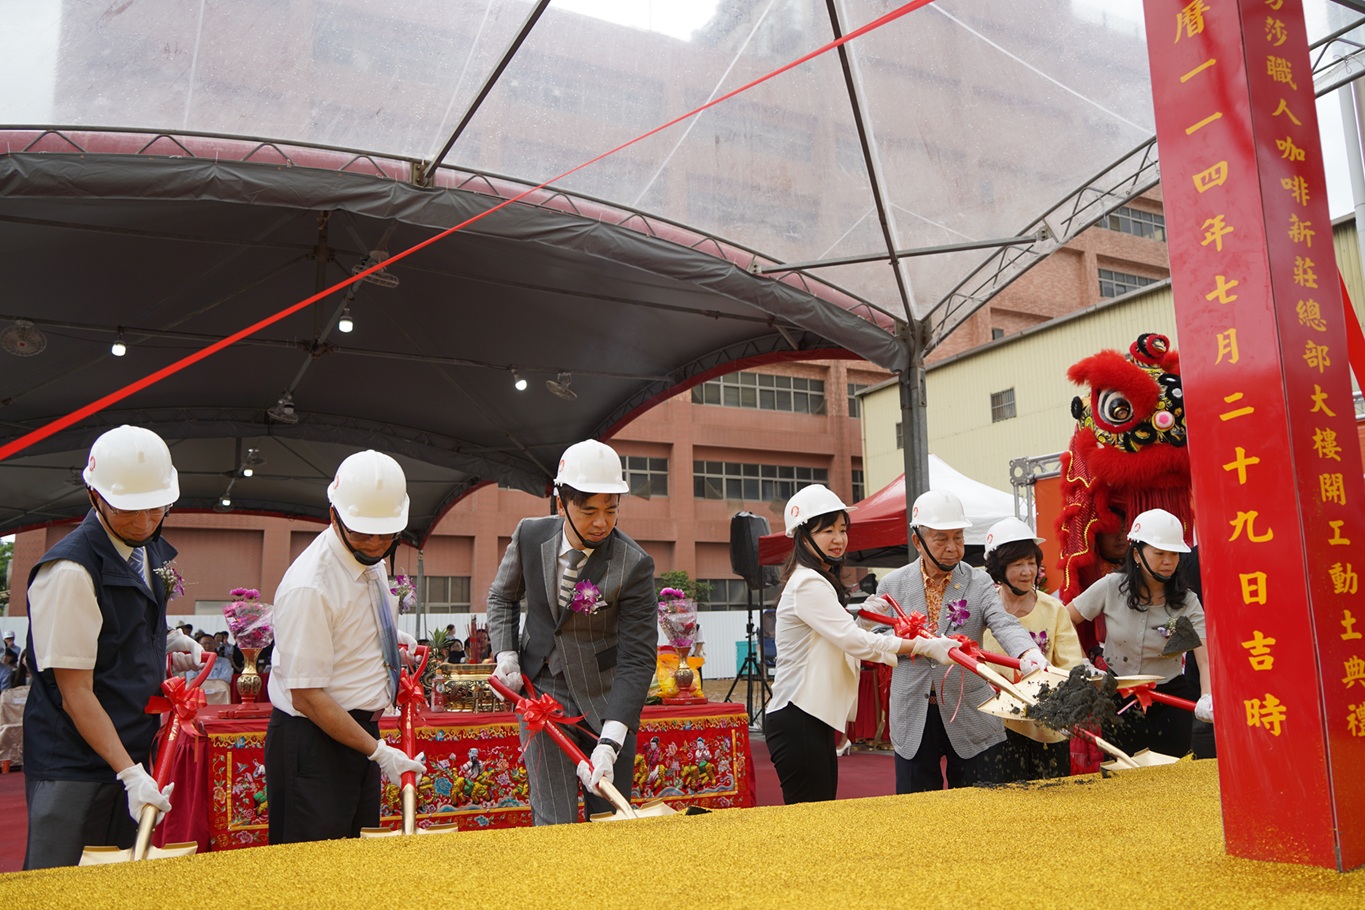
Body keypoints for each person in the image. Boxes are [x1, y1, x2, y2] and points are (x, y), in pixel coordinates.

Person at [21, 426, 200, 869]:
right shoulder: (70, 570)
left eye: (155, 509)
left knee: (121, 879)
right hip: (76, 761)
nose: (142, 524)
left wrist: (167, 639)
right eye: (127, 512)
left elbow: (125, 626)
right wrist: (128, 773)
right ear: (93, 496)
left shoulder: (148, 549)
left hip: (132, 746)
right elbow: (75, 693)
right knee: (61, 884)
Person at [487, 439, 657, 825]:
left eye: (611, 510)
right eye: (589, 510)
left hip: (606, 703)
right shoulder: (530, 537)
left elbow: (638, 658)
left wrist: (611, 742)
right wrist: (507, 655)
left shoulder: (634, 565)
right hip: (542, 696)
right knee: (553, 822)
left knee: (608, 823)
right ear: (562, 503)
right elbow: (502, 597)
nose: (601, 522)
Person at [264, 450, 425, 844]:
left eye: (386, 534)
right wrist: (379, 753)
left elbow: (356, 622)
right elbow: (306, 696)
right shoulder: (311, 585)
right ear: (334, 514)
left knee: (355, 860)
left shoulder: (371, 560)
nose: (374, 543)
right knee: (314, 870)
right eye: (363, 533)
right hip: (315, 740)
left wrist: (390, 641)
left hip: (357, 736)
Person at [764, 485, 939, 804]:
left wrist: (865, 620)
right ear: (803, 536)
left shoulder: (814, 581)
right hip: (798, 715)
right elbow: (854, 643)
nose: (838, 538)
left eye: (842, 529)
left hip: (807, 716)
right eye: (827, 530)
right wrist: (920, 646)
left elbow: (839, 640)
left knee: (818, 815)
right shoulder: (809, 583)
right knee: (811, 820)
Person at [873, 489, 1045, 794]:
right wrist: (904, 641)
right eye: (941, 539)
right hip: (913, 712)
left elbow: (1004, 622)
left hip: (969, 711)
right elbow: (874, 639)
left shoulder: (978, 582)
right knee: (918, 811)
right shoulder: (892, 584)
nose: (952, 548)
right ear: (918, 541)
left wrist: (1028, 652)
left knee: (978, 807)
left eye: (958, 538)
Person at [1065, 508, 1211, 759]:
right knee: (1122, 780)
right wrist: (1081, 662)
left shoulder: (1187, 601)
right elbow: (1063, 620)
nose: (1168, 561)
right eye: (1160, 553)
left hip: (1170, 700)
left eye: (1174, 554)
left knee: (1174, 780)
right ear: (1137, 554)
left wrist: (1207, 696)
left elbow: (1205, 658)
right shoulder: (1111, 587)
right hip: (1118, 699)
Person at [980, 517, 1085, 781]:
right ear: (997, 569)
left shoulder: (1054, 609)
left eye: (1031, 562)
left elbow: (1071, 666)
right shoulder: (982, 611)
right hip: (996, 729)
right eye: (1017, 564)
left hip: (1048, 726)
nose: (1027, 571)